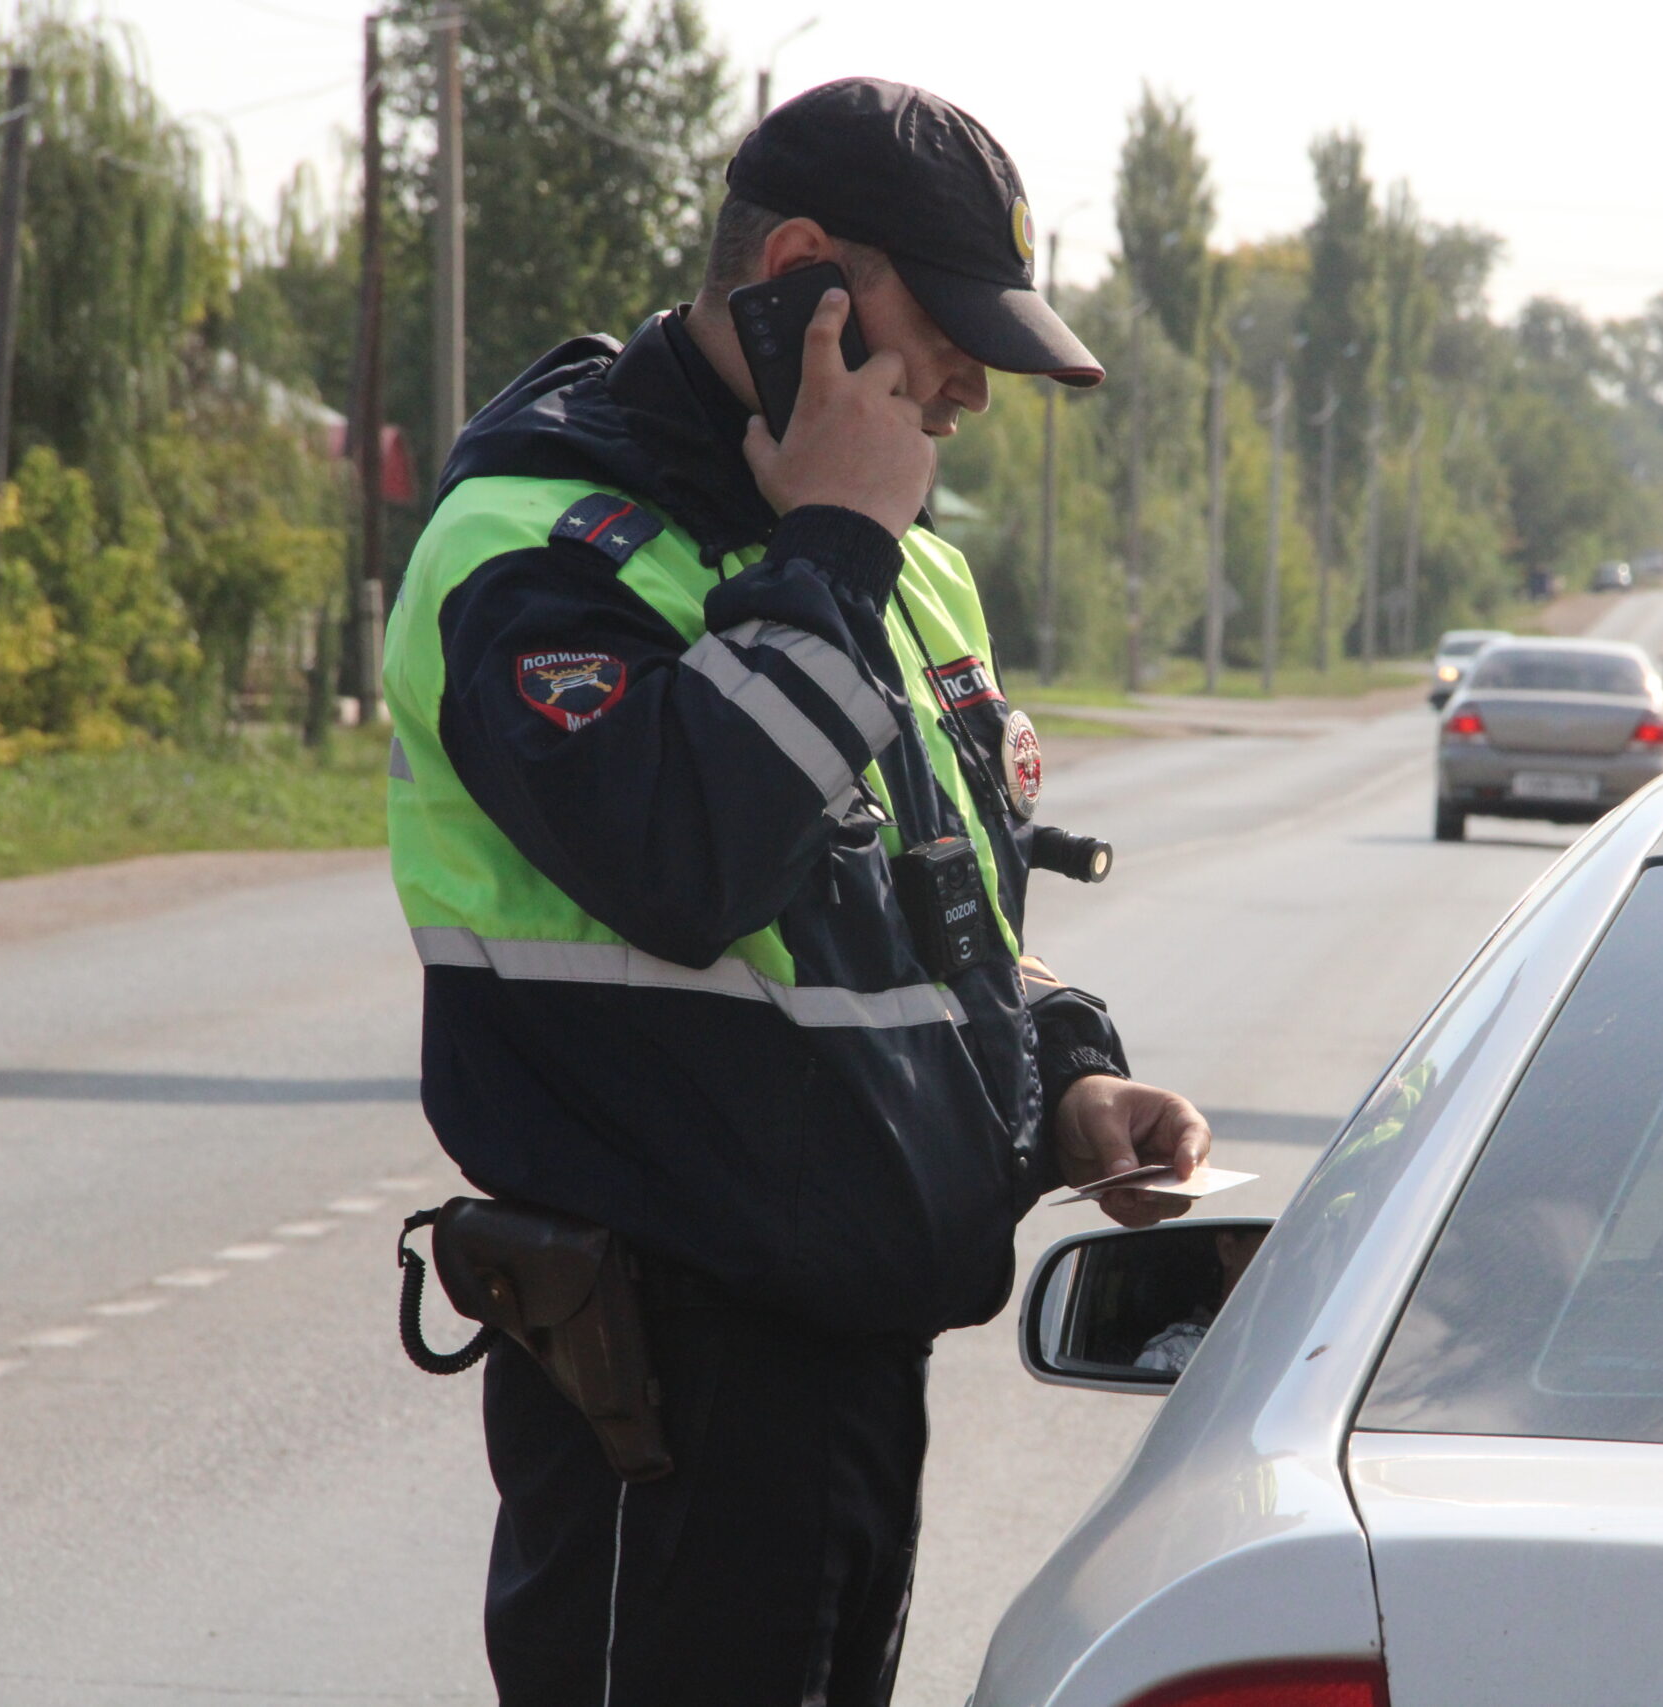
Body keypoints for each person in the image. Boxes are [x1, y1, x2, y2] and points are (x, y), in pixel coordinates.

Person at [382, 77, 1211, 1707]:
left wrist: (1074, 1082)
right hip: (661, 1411)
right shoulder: (537, 543)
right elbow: (689, 862)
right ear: (805, 269)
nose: (973, 382)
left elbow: (937, 943)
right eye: (949, 327)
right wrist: (831, 541)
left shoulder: (899, 562)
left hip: (857, 1382)